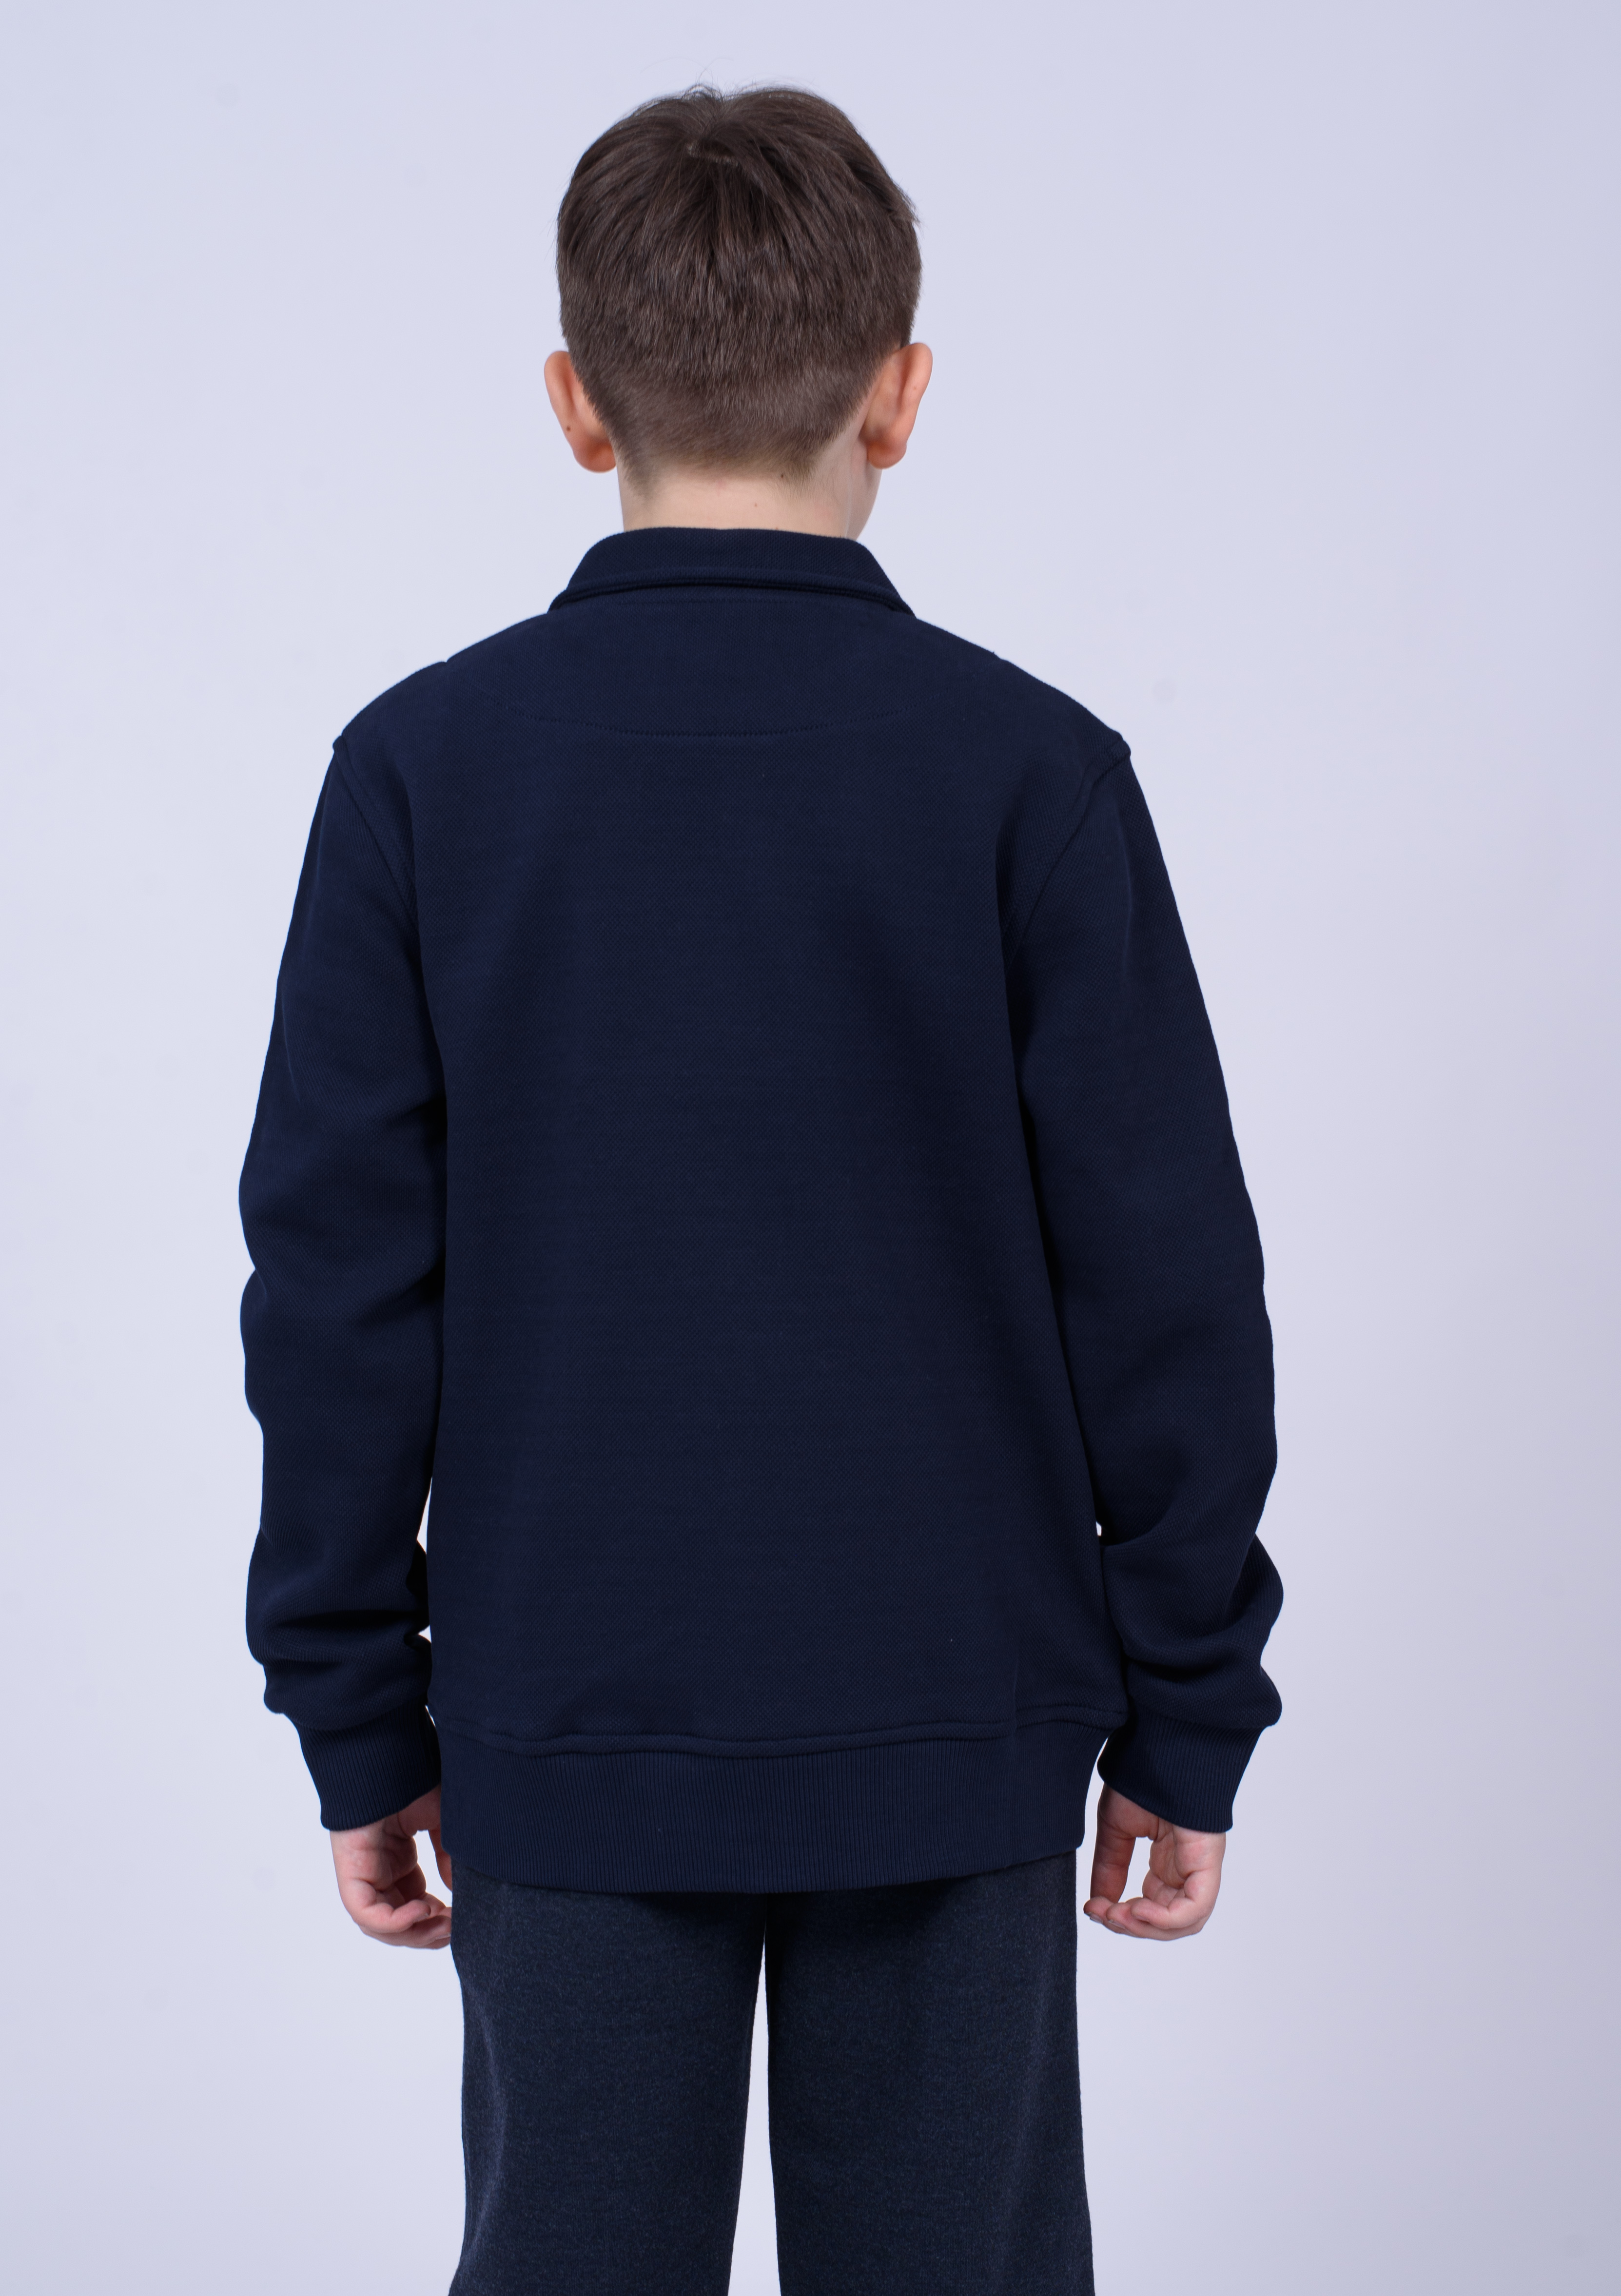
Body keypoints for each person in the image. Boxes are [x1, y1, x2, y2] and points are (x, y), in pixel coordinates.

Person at [240, 84, 1282, 2296]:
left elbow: (335, 1293)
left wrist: (355, 1706)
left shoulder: (423, 775)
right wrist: (1186, 1703)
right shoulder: (1028, 774)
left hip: (561, 1714)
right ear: (901, 396)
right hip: (956, 1718)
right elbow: (1167, 1279)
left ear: (571, 402)